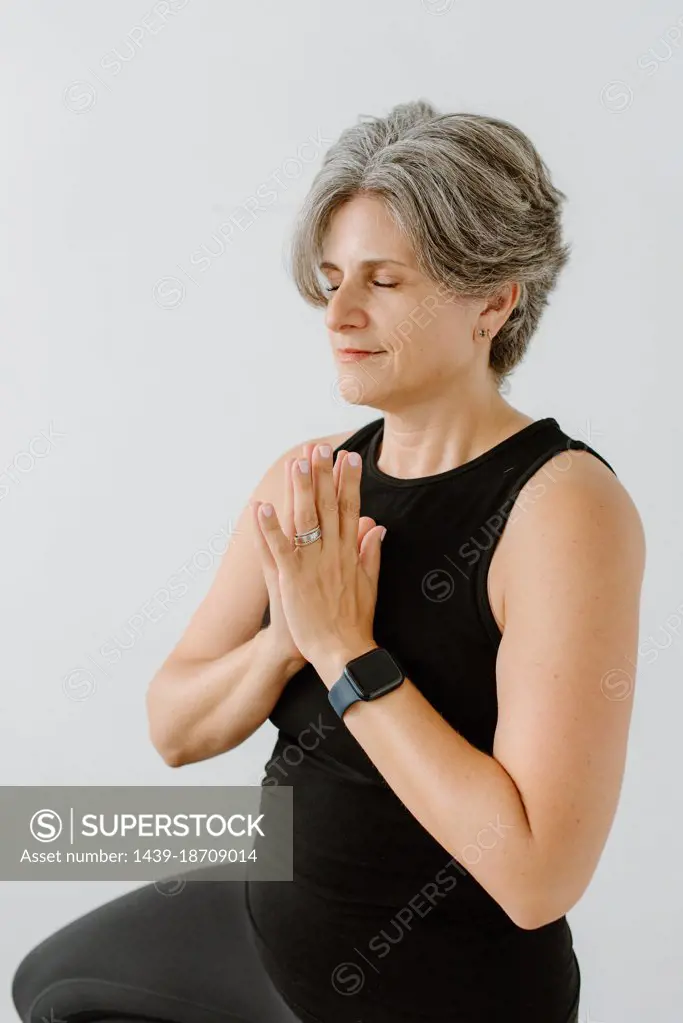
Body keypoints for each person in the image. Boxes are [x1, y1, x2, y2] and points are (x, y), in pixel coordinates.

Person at [11, 99, 645, 1023]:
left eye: (383, 282)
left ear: (494, 300)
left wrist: (348, 652)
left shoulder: (562, 507)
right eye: (331, 277)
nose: (338, 313)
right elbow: (174, 728)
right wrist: (287, 641)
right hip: (274, 925)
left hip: (431, 987)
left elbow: (537, 877)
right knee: (50, 985)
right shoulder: (310, 476)